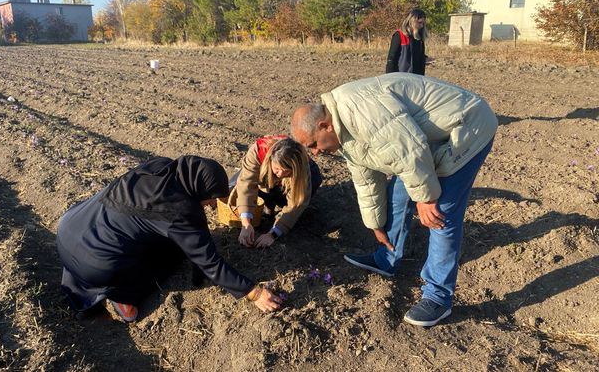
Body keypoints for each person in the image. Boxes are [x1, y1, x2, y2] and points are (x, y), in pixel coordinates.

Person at [291, 73, 498, 327]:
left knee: (440, 214)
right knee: (398, 195)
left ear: (325, 125)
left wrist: (426, 198)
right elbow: (366, 178)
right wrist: (375, 224)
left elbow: (410, 151)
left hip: (467, 127)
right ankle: (386, 259)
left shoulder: (361, 111)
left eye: (313, 145)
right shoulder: (342, 130)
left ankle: (439, 297)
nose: (315, 153)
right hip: (428, 139)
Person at [56, 156, 282, 322]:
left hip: (69, 229)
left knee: (127, 234)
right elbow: (209, 263)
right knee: (172, 257)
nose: (212, 206)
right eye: (211, 200)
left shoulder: (159, 166)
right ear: (201, 192)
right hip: (96, 263)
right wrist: (254, 292)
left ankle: (77, 280)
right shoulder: (178, 212)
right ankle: (122, 297)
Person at [233, 135, 322, 248]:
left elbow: (297, 202)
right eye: (277, 169)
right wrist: (246, 223)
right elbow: (247, 185)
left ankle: (280, 202)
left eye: (285, 172)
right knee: (251, 180)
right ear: (270, 160)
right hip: (266, 173)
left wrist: (273, 234)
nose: (280, 174)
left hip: (307, 173)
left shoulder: (302, 166)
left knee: (301, 195)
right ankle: (269, 202)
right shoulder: (258, 151)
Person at [385, 8, 430, 75]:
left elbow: (417, 56)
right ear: (412, 21)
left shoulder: (419, 38)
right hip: (401, 77)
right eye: (420, 22)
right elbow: (391, 59)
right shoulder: (399, 35)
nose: (422, 26)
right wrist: (391, 78)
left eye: (423, 23)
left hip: (417, 78)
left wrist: (425, 59)